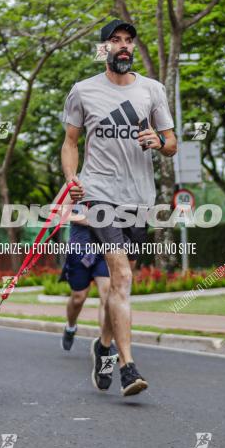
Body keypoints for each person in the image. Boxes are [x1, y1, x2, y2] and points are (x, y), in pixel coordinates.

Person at [60, 19, 177, 397]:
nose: (123, 46)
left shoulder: (152, 90)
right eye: (115, 41)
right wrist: (72, 180)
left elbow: (173, 142)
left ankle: (103, 347)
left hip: (140, 197)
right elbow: (70, 142)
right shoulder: (84, 91)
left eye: (128, 41)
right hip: (99, 194)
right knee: (121, 276)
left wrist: (158, 141)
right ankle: (129, 367)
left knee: (118, 285)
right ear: (104, 49)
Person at [60, 212, 112, 362]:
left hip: (103, 250)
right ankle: (70, 327)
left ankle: (105, 344)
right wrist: (90, 221)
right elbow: (60, 210)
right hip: (79, 249)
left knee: (107, 295)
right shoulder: (75, 189)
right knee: (78, 298)